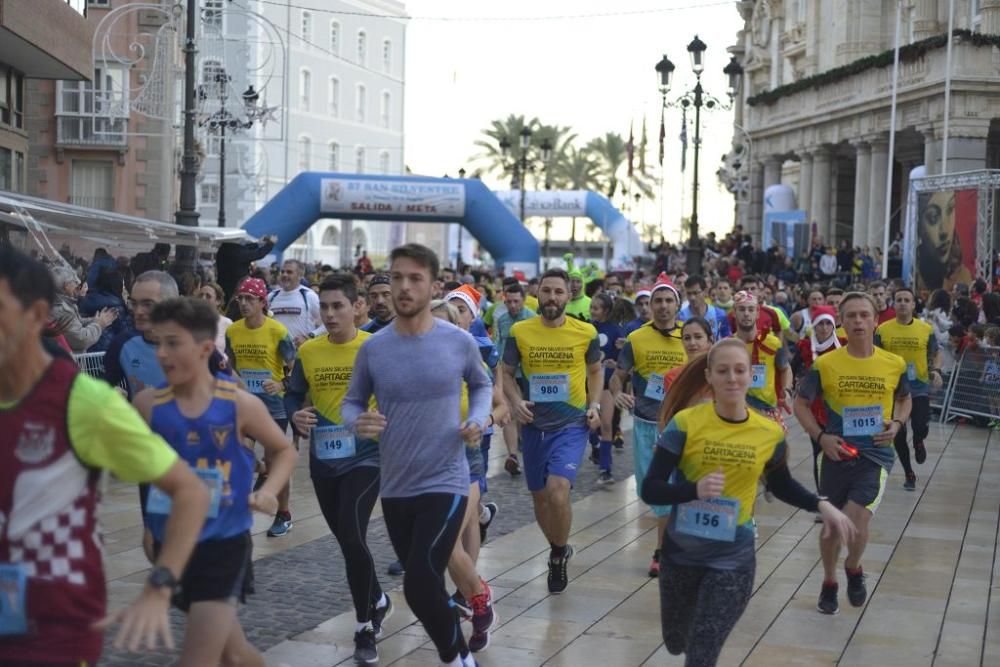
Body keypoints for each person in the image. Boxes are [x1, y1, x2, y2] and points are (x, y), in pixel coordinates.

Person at [0, 247, 210, 665]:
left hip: (55, 628)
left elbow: (191, 493)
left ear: (36, 314)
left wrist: (160, 585)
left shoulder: (81, 401)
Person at [641, 338, 855, 666]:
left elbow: (781, 486)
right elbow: (651, 490)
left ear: (751, 376)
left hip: (733, 555)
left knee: (702, 651)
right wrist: (692, 491)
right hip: (682, 553)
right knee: (676, 640)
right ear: (709, 376)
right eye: (723, 371)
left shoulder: (768, 434)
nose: (732, 378)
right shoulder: (685, 424)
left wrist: (821, 504)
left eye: (740, 370)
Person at [342, 244, 492, 667]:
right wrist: (359, 421)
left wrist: (478, 420)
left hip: (446, 480)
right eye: (397, 277)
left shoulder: (458, 342)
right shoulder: (374, 348)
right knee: (421, 582)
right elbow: (351, 402)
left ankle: (457, 661)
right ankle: (461, 654)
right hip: (396, 486)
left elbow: (481, 386)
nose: (404, 287)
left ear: (432, 285)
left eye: (415, 279)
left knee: (421, 583)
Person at [136, 297, 297, 666]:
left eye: (173, 343)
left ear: (206, 348)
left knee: (199, 659)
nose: (162, 353)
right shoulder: (147, 405)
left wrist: (270, 492)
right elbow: (148, 469)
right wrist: (150, 524)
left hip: (222, 546)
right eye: (157, 342)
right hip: (170, 543)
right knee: (233, 652)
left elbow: (285, 450)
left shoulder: (239, 404)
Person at [286, 275, 392, 664]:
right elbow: (294, 392)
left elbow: (401, 394)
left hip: (367, 457)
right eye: (324, 307)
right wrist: (294, 414)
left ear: (357, 307)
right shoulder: (310, 351)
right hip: (324, 460)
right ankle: (378, 598)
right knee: (348, 541)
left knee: (352, 529)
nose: (330, 314)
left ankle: (365, 626)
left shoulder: (377, 348)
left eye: (338, 307)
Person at [794, 291, 912, 615]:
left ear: (876, 321)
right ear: (842, 324)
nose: (858, 321)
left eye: (865, 315)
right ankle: (830, 580)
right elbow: (800, 403)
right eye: (851, 316)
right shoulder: (826, 364)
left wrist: (898, 424)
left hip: (875, 455)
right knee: (832, 527)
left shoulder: (893, 363)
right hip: (834, 454)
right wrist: (820, 438)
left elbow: (904, 398)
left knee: (857, 523)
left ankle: (854, 566)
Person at [502, 268, 602, 594]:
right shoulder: (520, 331)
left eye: (559, 292)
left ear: (568, 296)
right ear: (538, 294)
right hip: (533, 426)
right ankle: (558, 546)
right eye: (546, 291)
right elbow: (505, 372)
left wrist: (595, 405)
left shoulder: (585, 332)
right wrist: (515, 401)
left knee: (559, 490)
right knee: (541, 499)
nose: (552, 298)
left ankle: (557, 556)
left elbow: (596, 370)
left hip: (571, 424)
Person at [435, 290, 509, 654]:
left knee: (448, 541)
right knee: (443, 546)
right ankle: (469, 596)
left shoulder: (472, 362)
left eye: (447, 323)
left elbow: (502, 406)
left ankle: (478, 599)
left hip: (467, 461)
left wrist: (483, 422)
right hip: (425, 465)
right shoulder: (414, 365)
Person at [610, 276, 689, 577]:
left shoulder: (691, 335)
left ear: (677, 305)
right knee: (649, 489)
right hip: (645, 422)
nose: (664, 306)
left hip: (682, 425)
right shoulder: (637, 339)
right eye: (658, 300)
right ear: (650, 305)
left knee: (671, 487)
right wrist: (617, 391)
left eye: (669, 300)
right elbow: (619, 374)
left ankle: (663, 552)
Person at [225, 277, 297, 537]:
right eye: (240, 299)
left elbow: (295, 369)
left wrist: (281, 384)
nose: (243, 304)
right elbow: (229, 364)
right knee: (241, 453)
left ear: (262, 303)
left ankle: (284, 513)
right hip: (245, 406)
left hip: (274, 408)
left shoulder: (277, 331)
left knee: (275, 459)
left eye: (250, 299)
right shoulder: (233, 330)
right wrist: (232, 380)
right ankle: (243, 506)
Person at [875, 286, 942, 490]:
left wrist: (937, 371)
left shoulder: (925, 329)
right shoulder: (882, 329)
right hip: (894, 390)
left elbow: (936, 353)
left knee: (920, 425)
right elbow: (875, 356)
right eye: (899, 299)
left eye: (906, 300)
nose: (902, 303)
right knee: (898, 433)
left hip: (918, 386)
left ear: (913, 304)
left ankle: (919, 441)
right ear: (894, 304)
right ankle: (909, 473)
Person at [492, 282, 536, 477]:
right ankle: (512, 456)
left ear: (524, 301)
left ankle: (530, 449)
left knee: (526, 415)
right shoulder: (501, 320)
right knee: (508, 413)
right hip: (507, 374)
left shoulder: (533, 320)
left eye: (516, 301)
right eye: (508, 301)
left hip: (528, 375)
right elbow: (497, 345)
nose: (512, 305)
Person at [731, 290, 792, 424]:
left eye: (751, 309)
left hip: (767, 411)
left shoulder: (772, 343)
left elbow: (785, 368)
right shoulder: (727, 345)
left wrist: (786, 391)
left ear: (757, 313)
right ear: (734, 313)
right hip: (736, 412)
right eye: (741, 309)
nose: (746, 313)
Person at [589, 292, 625, 484]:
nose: (592, 311)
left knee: (606, 423)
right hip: (586, 382)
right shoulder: (585, 327)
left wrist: (617, 358)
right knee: (588, 423)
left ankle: (606, 468)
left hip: (607, 383)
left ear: (606, 311)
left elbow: (624, 358)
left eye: (596, 308)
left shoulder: (616, 330)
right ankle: (594, 445)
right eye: (591, 307)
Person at [49, 264, 118, 353]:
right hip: (70, 361)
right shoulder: (63, 310)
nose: (78, 285)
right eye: (74, 282)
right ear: (66, 286)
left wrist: (95, 320)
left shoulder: (62, 304)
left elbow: (77, 322)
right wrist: (100, 324)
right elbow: (81, 340)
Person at [267, 259, 322, 347]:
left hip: (302, 355)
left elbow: (326, 325)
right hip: (276, 355)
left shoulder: (309, 295)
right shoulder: (271, 296)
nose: (284, 275)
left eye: (289, 272)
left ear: (300, 276)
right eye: (282, 272)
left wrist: (309, 336)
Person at [215, 236, 276, 307]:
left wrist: (257, 244)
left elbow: (245, 249)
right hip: (236, 287)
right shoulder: (237, 253)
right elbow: (258, 254)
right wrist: (270, 244)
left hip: (223, 284)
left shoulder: (222, 251)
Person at [78, 267, 129, 352]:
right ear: (116, 285)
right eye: (122, 284)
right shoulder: (116, 307)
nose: (124, 288)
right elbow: (124, 333)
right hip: (106, 350)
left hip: (87, 349)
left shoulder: (86, 299)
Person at [679, 274, 731, 340]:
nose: (692, 298)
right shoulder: (681, 317)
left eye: (696, 293)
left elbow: (728, 340)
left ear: (705, 291)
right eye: (689, 293)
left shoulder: (719, 314)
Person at [197, 281, 234, 355]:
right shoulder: (189, 322)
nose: (203, 299)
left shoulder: (227, 323)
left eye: (208, 296)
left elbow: (232, 353)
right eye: (201, 295)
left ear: (218, 301)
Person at [563, 254, 591, 321]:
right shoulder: (560, 301)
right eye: (572, 281)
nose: (574, 285)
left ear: (583, 284)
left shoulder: (591, 303)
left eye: (578, 282)